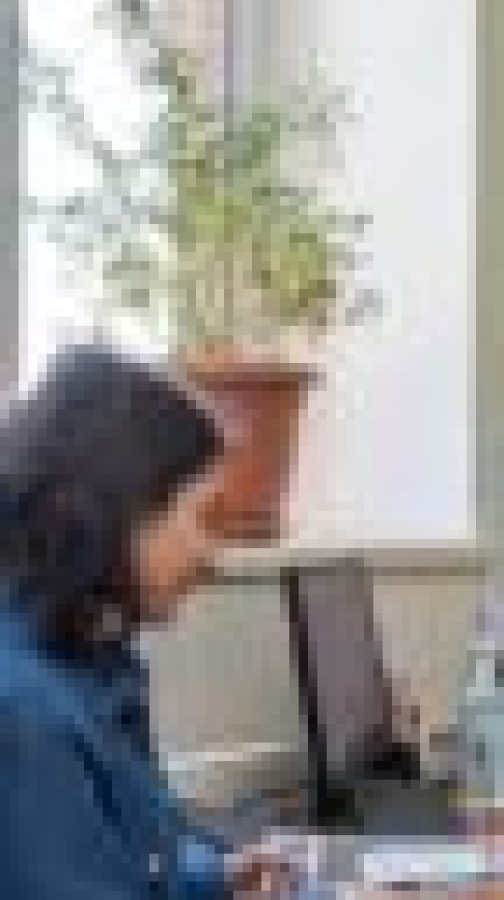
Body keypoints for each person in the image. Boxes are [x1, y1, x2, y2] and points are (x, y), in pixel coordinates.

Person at [0, 345, 287, 899]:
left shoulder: (90, 666)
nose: (211, 553)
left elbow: (135, 861)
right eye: (203, 518)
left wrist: (215, 876)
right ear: (115, 510)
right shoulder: (23, 717)